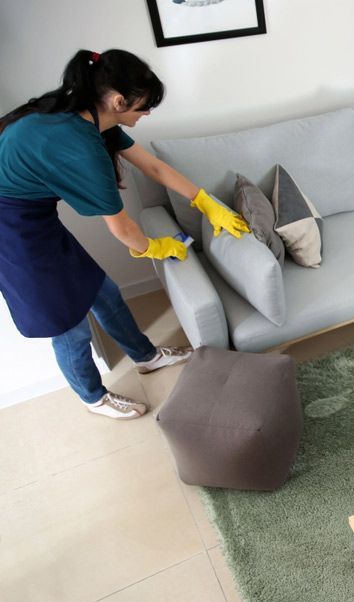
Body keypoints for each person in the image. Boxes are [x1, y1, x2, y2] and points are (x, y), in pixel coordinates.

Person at [0, 49, 248, 419]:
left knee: (104, 292)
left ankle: (145, 356)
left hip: (36, 219)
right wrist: (156, 247)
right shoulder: (80, 149)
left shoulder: (88, 116)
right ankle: (93, 397)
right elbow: (123, 229)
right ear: (119, 101)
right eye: (144, 107)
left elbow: (152, 166)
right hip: (11, 233)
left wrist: (204, 201)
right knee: (68, 327)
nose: (146, 115)